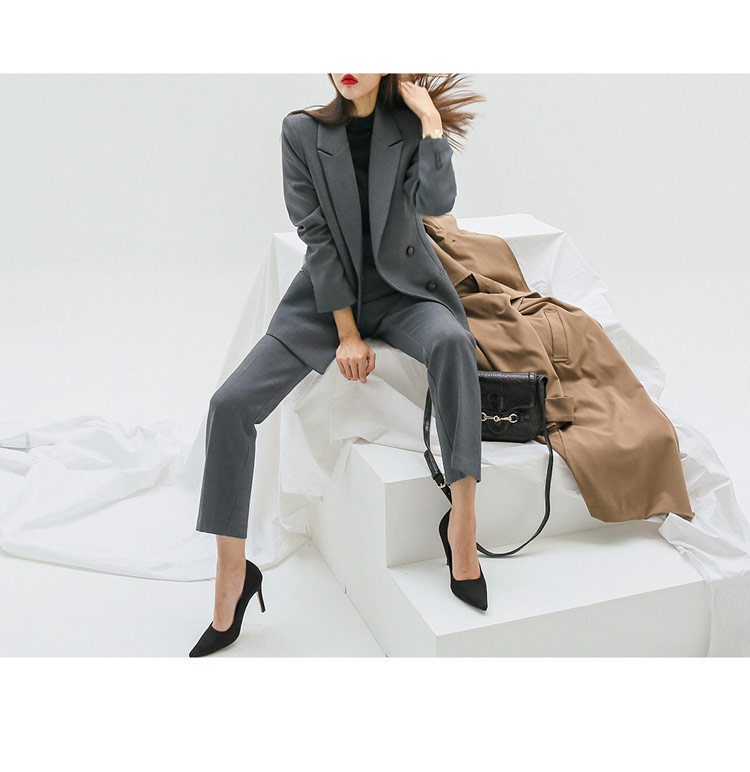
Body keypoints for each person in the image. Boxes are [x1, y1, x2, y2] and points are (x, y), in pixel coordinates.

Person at [189, 74, 487, 657]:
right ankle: (232, 570)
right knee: (229, 405)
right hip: (325, 302)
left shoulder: (407, 126)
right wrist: (347, 333)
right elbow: (317, 238)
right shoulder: (302, 131)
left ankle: (464, 524)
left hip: (404, 295)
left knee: (452, 343)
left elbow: (436, 204)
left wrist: (430, 123)